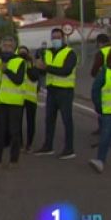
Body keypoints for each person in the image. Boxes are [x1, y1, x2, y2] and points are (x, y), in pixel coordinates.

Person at [34, 28, 77, 159]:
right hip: (51, 90)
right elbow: (43, 72)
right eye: (53, 38)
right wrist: (39, 67)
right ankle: (48, 146)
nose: (55, 40)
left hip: (65, 90)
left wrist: (46, 67)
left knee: (67, 120)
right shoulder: (47, 53)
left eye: (58, 37)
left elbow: (66, 71)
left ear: (63, 38)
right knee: (49, 120)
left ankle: (69, 149)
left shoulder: (70, 53)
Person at [0, 37, 25, 168]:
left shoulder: (20, 61)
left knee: (14, 132)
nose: (7, 48)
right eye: (5, 45)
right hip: (0, 101)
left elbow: (18, 80)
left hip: (14, 102)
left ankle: (13, 160)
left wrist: (7, 70)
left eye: (10, 46)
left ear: (14, 48)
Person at [17, 46, 40, 153]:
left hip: (30, 97)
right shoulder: (16, 64)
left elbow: (34, 77)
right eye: (21, 53)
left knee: (31, 122)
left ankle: (29, 144)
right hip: (19, 97)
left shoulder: (32, 65)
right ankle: (20, 143)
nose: (23, 55)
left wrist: (30, 64)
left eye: (24, 53)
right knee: (18, 122)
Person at [89, 34, 111, 137]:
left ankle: (103, 128)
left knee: (101, 106)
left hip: (104, 82)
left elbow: (95, 69)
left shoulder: (101, 53)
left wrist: (94, 74)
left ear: (99, 43)